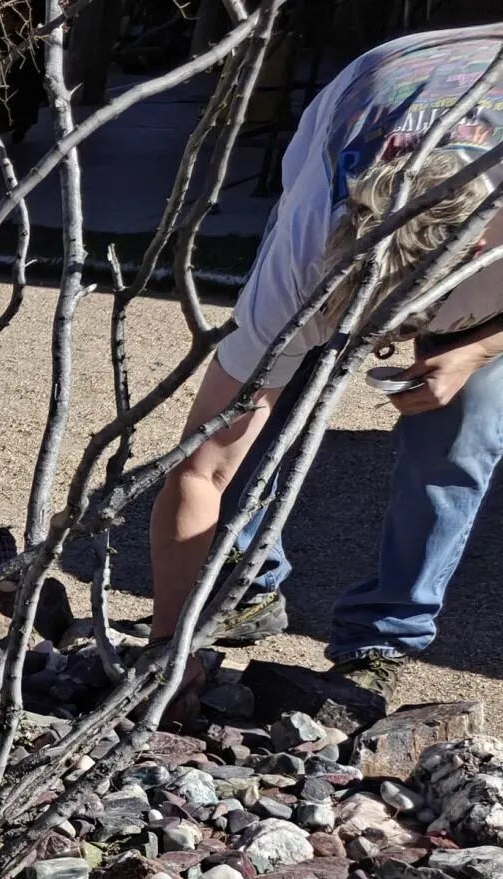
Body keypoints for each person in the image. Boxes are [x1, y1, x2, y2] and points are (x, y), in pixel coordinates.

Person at [148, 24, 503, 697]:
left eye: (406, 319)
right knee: (259, 412)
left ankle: (384, 634)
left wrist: (474, 348)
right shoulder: (305, 255)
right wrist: (169, 647)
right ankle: (244, 584)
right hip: (381, 82)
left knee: (461, 434)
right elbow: (202, 467)